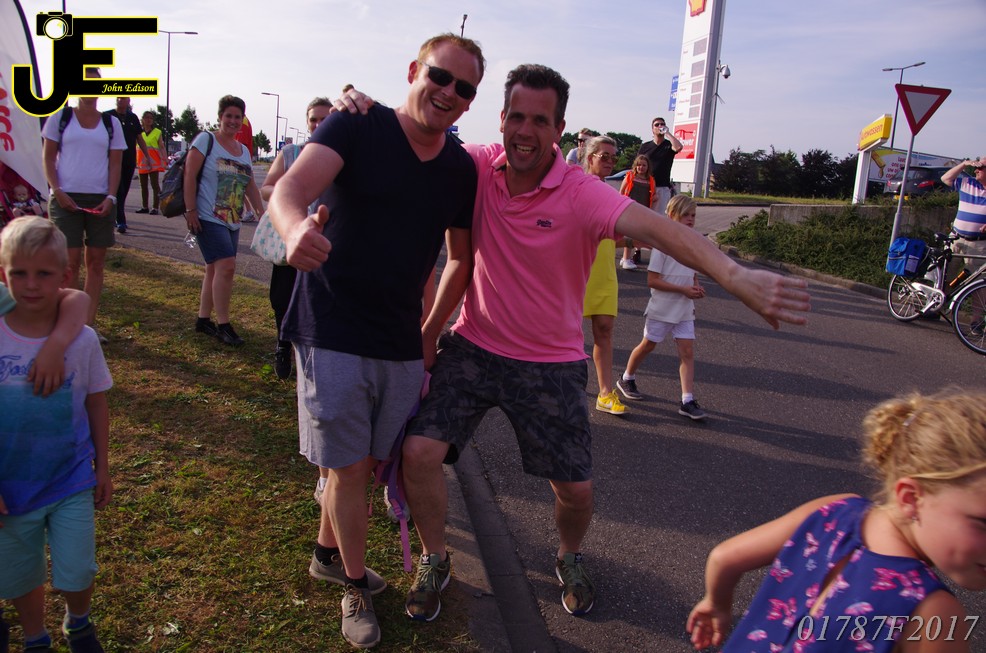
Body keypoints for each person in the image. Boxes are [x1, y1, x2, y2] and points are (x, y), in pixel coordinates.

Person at [329, 64, 809, 623]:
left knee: (575, 491)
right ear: (501, 119)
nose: (525, 131)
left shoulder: (582, 193)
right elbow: (419, 135)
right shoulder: (478, 165)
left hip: (550, 365)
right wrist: (358, 109)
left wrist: (734, 274)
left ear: (559, 130)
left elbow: (662, 230)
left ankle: (569, 555)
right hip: (475, 347)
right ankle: (436, 559)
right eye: (517, 117)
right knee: (418, 453)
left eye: (540, 120)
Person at [267, 33, 485, 649]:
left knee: (364, 464)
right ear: (415, 70)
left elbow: (460, 258)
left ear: (471, 101)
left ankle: (326, 553)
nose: (448, 92)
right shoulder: (356, 125)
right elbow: (289, 191)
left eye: (464, 88)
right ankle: (356, 585)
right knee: (348, 469)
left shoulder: (459, 169)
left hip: (400, 341)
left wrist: (430, 332)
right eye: (439, 76)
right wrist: (293, 230)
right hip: (331, 325)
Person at [686, 389, 986, 652]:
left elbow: (725, 557)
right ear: (911, 498)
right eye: (982, 523)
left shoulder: (836, 509)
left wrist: (716, 604)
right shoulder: (933, 612)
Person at [0, 216, 113, 653]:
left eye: (44, 273)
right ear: (3, 274)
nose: (31, 285)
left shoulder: (83, 340)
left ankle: (78, 622)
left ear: (64, 275)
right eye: (19, 273)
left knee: (79, 570)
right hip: (11, 489)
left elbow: (96, 401)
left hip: (70, 478)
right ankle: (35, 638)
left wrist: (102, 466)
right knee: (19, 574)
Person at [41, 67, 126, 344]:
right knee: (70, 262)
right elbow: (48, 158)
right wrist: (57, 191)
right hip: (65, 198)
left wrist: (111, 197)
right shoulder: (60, 117)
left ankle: (88, 326)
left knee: (96, 263)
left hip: (100, 199)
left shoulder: (111, 124)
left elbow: (116, 164)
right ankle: (68, 323)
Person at [261, 97, 333, 382]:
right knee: (282, 296)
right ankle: (282, 346)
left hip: (327, 238)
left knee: (319, 299)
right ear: (307, 122)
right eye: (314, 119)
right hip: (291, 234)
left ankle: (314, 351)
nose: (318, 124)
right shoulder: (291, 153)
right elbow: (267, 189)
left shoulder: (341, 154)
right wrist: (291, 193)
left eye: (325, 119)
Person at [183, 95, 264, 347]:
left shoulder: (244, 151)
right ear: (220, 117)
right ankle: (224, 325)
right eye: (228, 116)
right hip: (207, 216)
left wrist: (261, 213)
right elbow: (189, 174)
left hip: (233, 219)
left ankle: (203, 320)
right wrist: (190, 209)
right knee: (227, 266)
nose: (233, 121)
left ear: (243, 120)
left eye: (238, 117)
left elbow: (250, 184)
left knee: (215, 268)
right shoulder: (205, 140)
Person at [617, 195, 708, 420]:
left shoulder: (693, 243)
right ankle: (627, 378)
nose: (690, 219)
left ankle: (687, 400)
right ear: (672, 215)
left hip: (684, 309)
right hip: (662, 308)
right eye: (685, 215)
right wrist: (683, 290)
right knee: (648, 344)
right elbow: (652, 281)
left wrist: (696, 287)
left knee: (687, 351)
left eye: (693, 215)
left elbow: (692, 273)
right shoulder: (662, 245)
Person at [581, 136, 626, 416]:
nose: (610, 162)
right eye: (604, 156)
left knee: (604, 330)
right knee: (564, 332)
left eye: (613, 157)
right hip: (577, 268)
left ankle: (606, 393)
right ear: (590, 158)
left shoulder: (612, 194)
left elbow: (616, 235)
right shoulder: (576, 188)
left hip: (605, 270)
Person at [103, 97, 148, 234]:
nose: (120, 100)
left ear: (129, 101)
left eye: (124, 98)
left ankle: (114, 215)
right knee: (119, 190)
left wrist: (147, 156)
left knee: (124, 190)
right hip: (112, 160)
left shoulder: (133, 118)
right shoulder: (107, 116)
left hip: (129, 160)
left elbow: (139, 138)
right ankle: (121, 220)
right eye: (118, 97)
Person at [637, 116, 683, 216]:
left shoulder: (668, 145)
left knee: (658, 217)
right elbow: (637, 164)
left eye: (662, 124)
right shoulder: (645, 146)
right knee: (643, 216)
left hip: (661, 188)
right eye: (657, 125)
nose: (660, 126)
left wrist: (667, 133)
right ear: (652, 129)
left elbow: (678, 147)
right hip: (646, 186)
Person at [618, 154, 655, 269]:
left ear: (648, 167)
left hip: (642, 210)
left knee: (637, 235)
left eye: (644, 165)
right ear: (635, 166)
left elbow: (652, 195)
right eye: (639, 165)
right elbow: (621, 192)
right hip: (629, 208)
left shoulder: (650, 180)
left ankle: (625, 258)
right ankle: (626, 259)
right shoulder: (630, 176)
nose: (641, 167)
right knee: (630, 234)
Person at [135, 110, 168, 215]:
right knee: (143, 186)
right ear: (143, 120)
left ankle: (155, 207)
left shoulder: (157, 132)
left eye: (151, 118)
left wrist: (165, 158)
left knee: (155, 185)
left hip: (154, 163)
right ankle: (145, 206)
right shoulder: (139, 133)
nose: (149, 120)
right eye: (146, 118)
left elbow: (161, 146)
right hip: (142, 163)